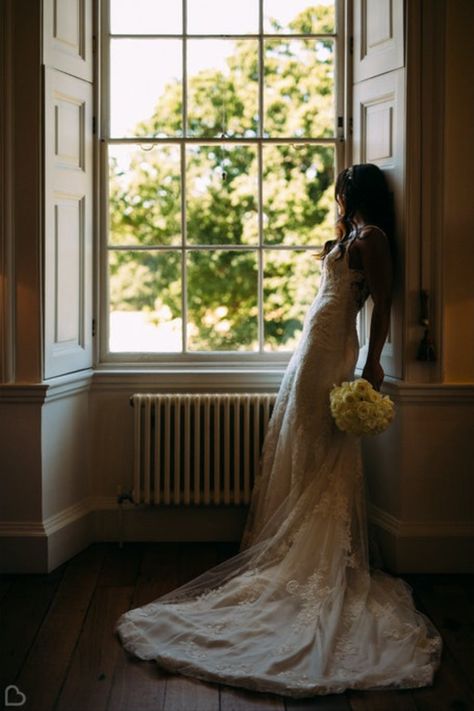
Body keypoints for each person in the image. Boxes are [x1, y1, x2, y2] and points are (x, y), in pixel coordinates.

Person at [115, 163, 442, 697]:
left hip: (336, 347)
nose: (337, 195)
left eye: (341, 188)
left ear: (351, 192)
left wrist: (373, 363)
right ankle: (294, 544)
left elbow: (382, 304)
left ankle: (323, 553)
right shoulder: (349, 236)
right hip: (314, 345)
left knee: (326, 442)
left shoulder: (375, 239)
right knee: (303, 437)